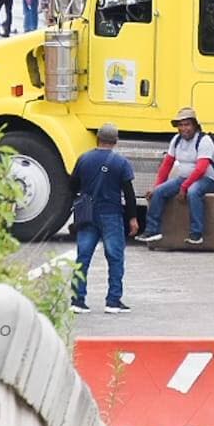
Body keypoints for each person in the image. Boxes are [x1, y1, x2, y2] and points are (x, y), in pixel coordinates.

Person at [70, 122, 138, 314]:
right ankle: (113, 301)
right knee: (115, 257)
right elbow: (129, 194)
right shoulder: (121, 162)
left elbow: (72, 186)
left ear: (98, 138)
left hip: (87, 214)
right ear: (115, 141)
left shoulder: (83, 159)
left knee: (83, 257)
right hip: (111, 214)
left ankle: (77, 300)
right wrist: (133, 218)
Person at [136, 108, 214, 246]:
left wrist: (184, 187)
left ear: (195, 125)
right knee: (158, 192)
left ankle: (196, 233)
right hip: (184, 178)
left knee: (193, 192)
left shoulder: (205, 140)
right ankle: (153, 230)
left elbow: (201, 168)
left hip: (205, 179)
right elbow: (167, 165)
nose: (183, 128)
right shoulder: (176, 140)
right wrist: (156, 186)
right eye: (180, 125)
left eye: (187, 124)